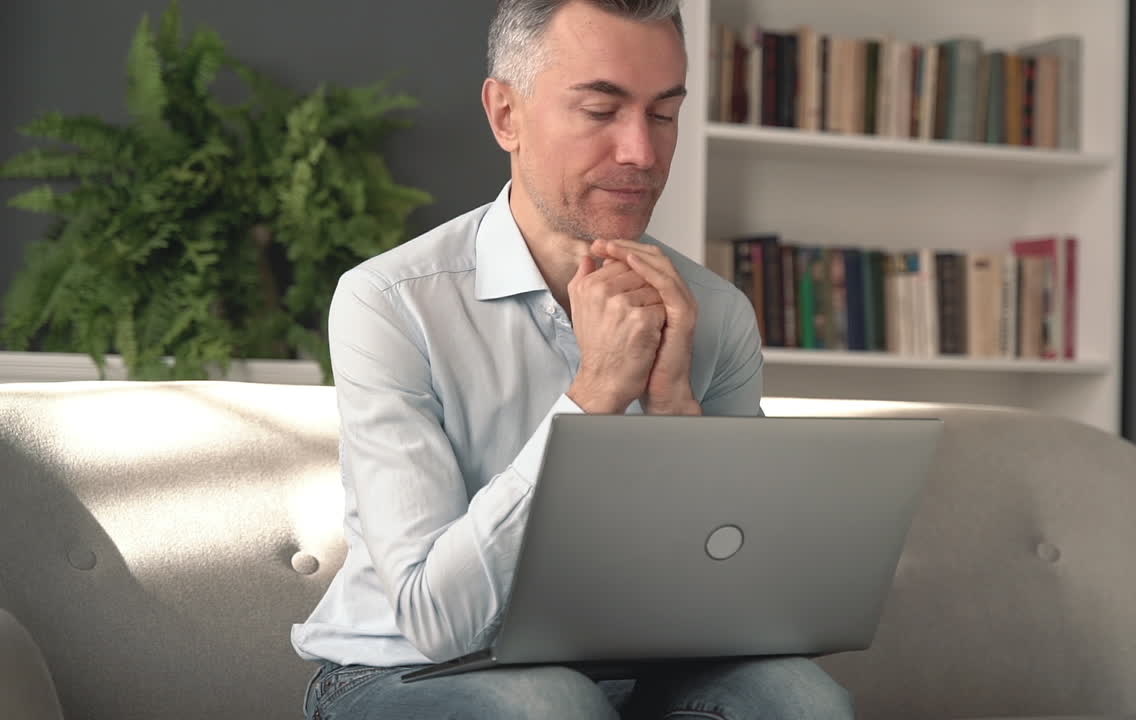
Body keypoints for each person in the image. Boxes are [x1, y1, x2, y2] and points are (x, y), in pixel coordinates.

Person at [291, 1, 856, 718]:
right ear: (506, 116)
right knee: (550, 706)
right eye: (600, 110)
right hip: (401, 674)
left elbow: (742, 604)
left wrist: (674, 406)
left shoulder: (715, 313)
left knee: (800, 700)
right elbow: (435, 621)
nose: (642, 154)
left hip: (630, 670)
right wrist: (594, 397)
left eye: (663, 114)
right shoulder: (391, 302)